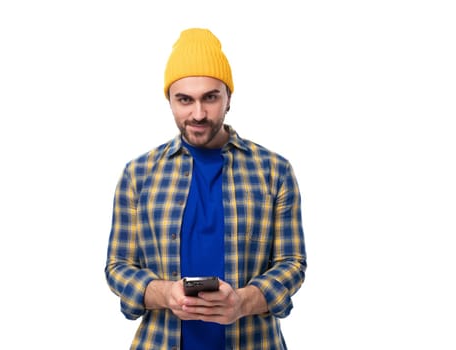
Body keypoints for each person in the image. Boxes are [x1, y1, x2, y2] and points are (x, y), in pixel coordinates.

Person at [104, 27, 307, 350]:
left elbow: (292, 262)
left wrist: (243, 301)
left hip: (254, 342)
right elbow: (118, 266)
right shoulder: (138, 174)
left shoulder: (274, 171)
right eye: (184, 99)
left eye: (210, 97)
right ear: (169, 100)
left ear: (229, 97)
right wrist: (164, 292)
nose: (198, 114)